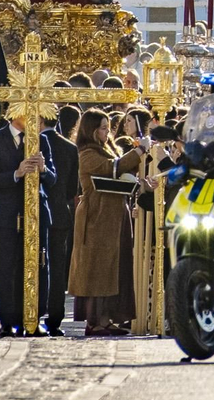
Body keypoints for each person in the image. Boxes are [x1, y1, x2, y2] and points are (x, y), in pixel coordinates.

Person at [68, 109, 148, 336]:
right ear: (91, 130)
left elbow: (124, 166)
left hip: (114, 216)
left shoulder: (105, 149)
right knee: (98, 269)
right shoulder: (87, 154)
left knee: (115, 268)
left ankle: (107, 318)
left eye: (107, 128)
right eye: (103, 128)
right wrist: (139, 150)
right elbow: (112, 168)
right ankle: (95, 321)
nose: (107, 132)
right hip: (97, 217)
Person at [0, 113, 58, 337]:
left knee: (38, 264)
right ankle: (7, 320)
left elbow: (53, 179)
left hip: (37, 212)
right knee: (7, 267)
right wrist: (17, 173)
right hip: (7, 214)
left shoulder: (42, 140)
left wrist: (43, 169)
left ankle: (34, 317)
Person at [43, 108, 80, 337]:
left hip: (37, 211)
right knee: (57, 269)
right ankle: (55, 318)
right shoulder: (69, 147)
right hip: (59, 212)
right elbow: (72, 189)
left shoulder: (31, 143)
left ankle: (31, 312)